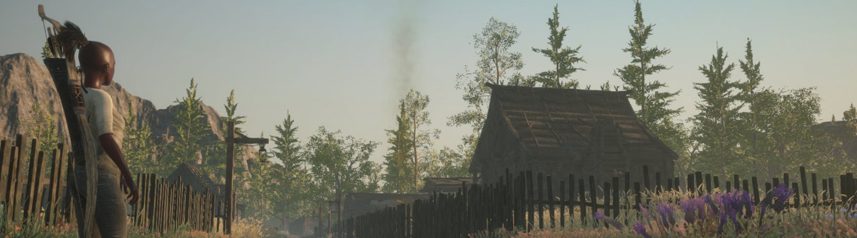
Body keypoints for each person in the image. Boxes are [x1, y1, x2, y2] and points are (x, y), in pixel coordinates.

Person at [75, 41, 139, 238]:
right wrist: (127, 175)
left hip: (80, 175)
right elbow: (105, 138)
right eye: (113, 66)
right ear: (106, 68)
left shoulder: (77, 97)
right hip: (101, 176)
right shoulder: (101, 98)